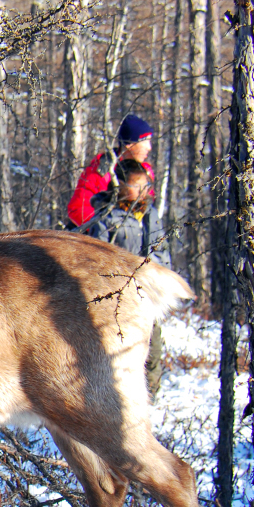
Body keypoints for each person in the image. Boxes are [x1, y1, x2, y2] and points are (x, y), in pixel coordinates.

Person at [79, 158, 168, 397]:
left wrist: (157, 278)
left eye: (144, 185)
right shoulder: (108, 217)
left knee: (153, 351)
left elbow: (162, 249)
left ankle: (150, 399)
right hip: (119, 299)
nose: (141, 191)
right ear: (119, 185)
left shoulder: (151, 214)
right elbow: (98, 258)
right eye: (135, 185)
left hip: (149, 295)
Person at [67, 114, 155, 228]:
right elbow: (78, 209)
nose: (149, 147)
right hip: (101, 241)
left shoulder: (146, 172)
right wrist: (106, 230)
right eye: (145, 141)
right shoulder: (100, 171)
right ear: (130, 144)